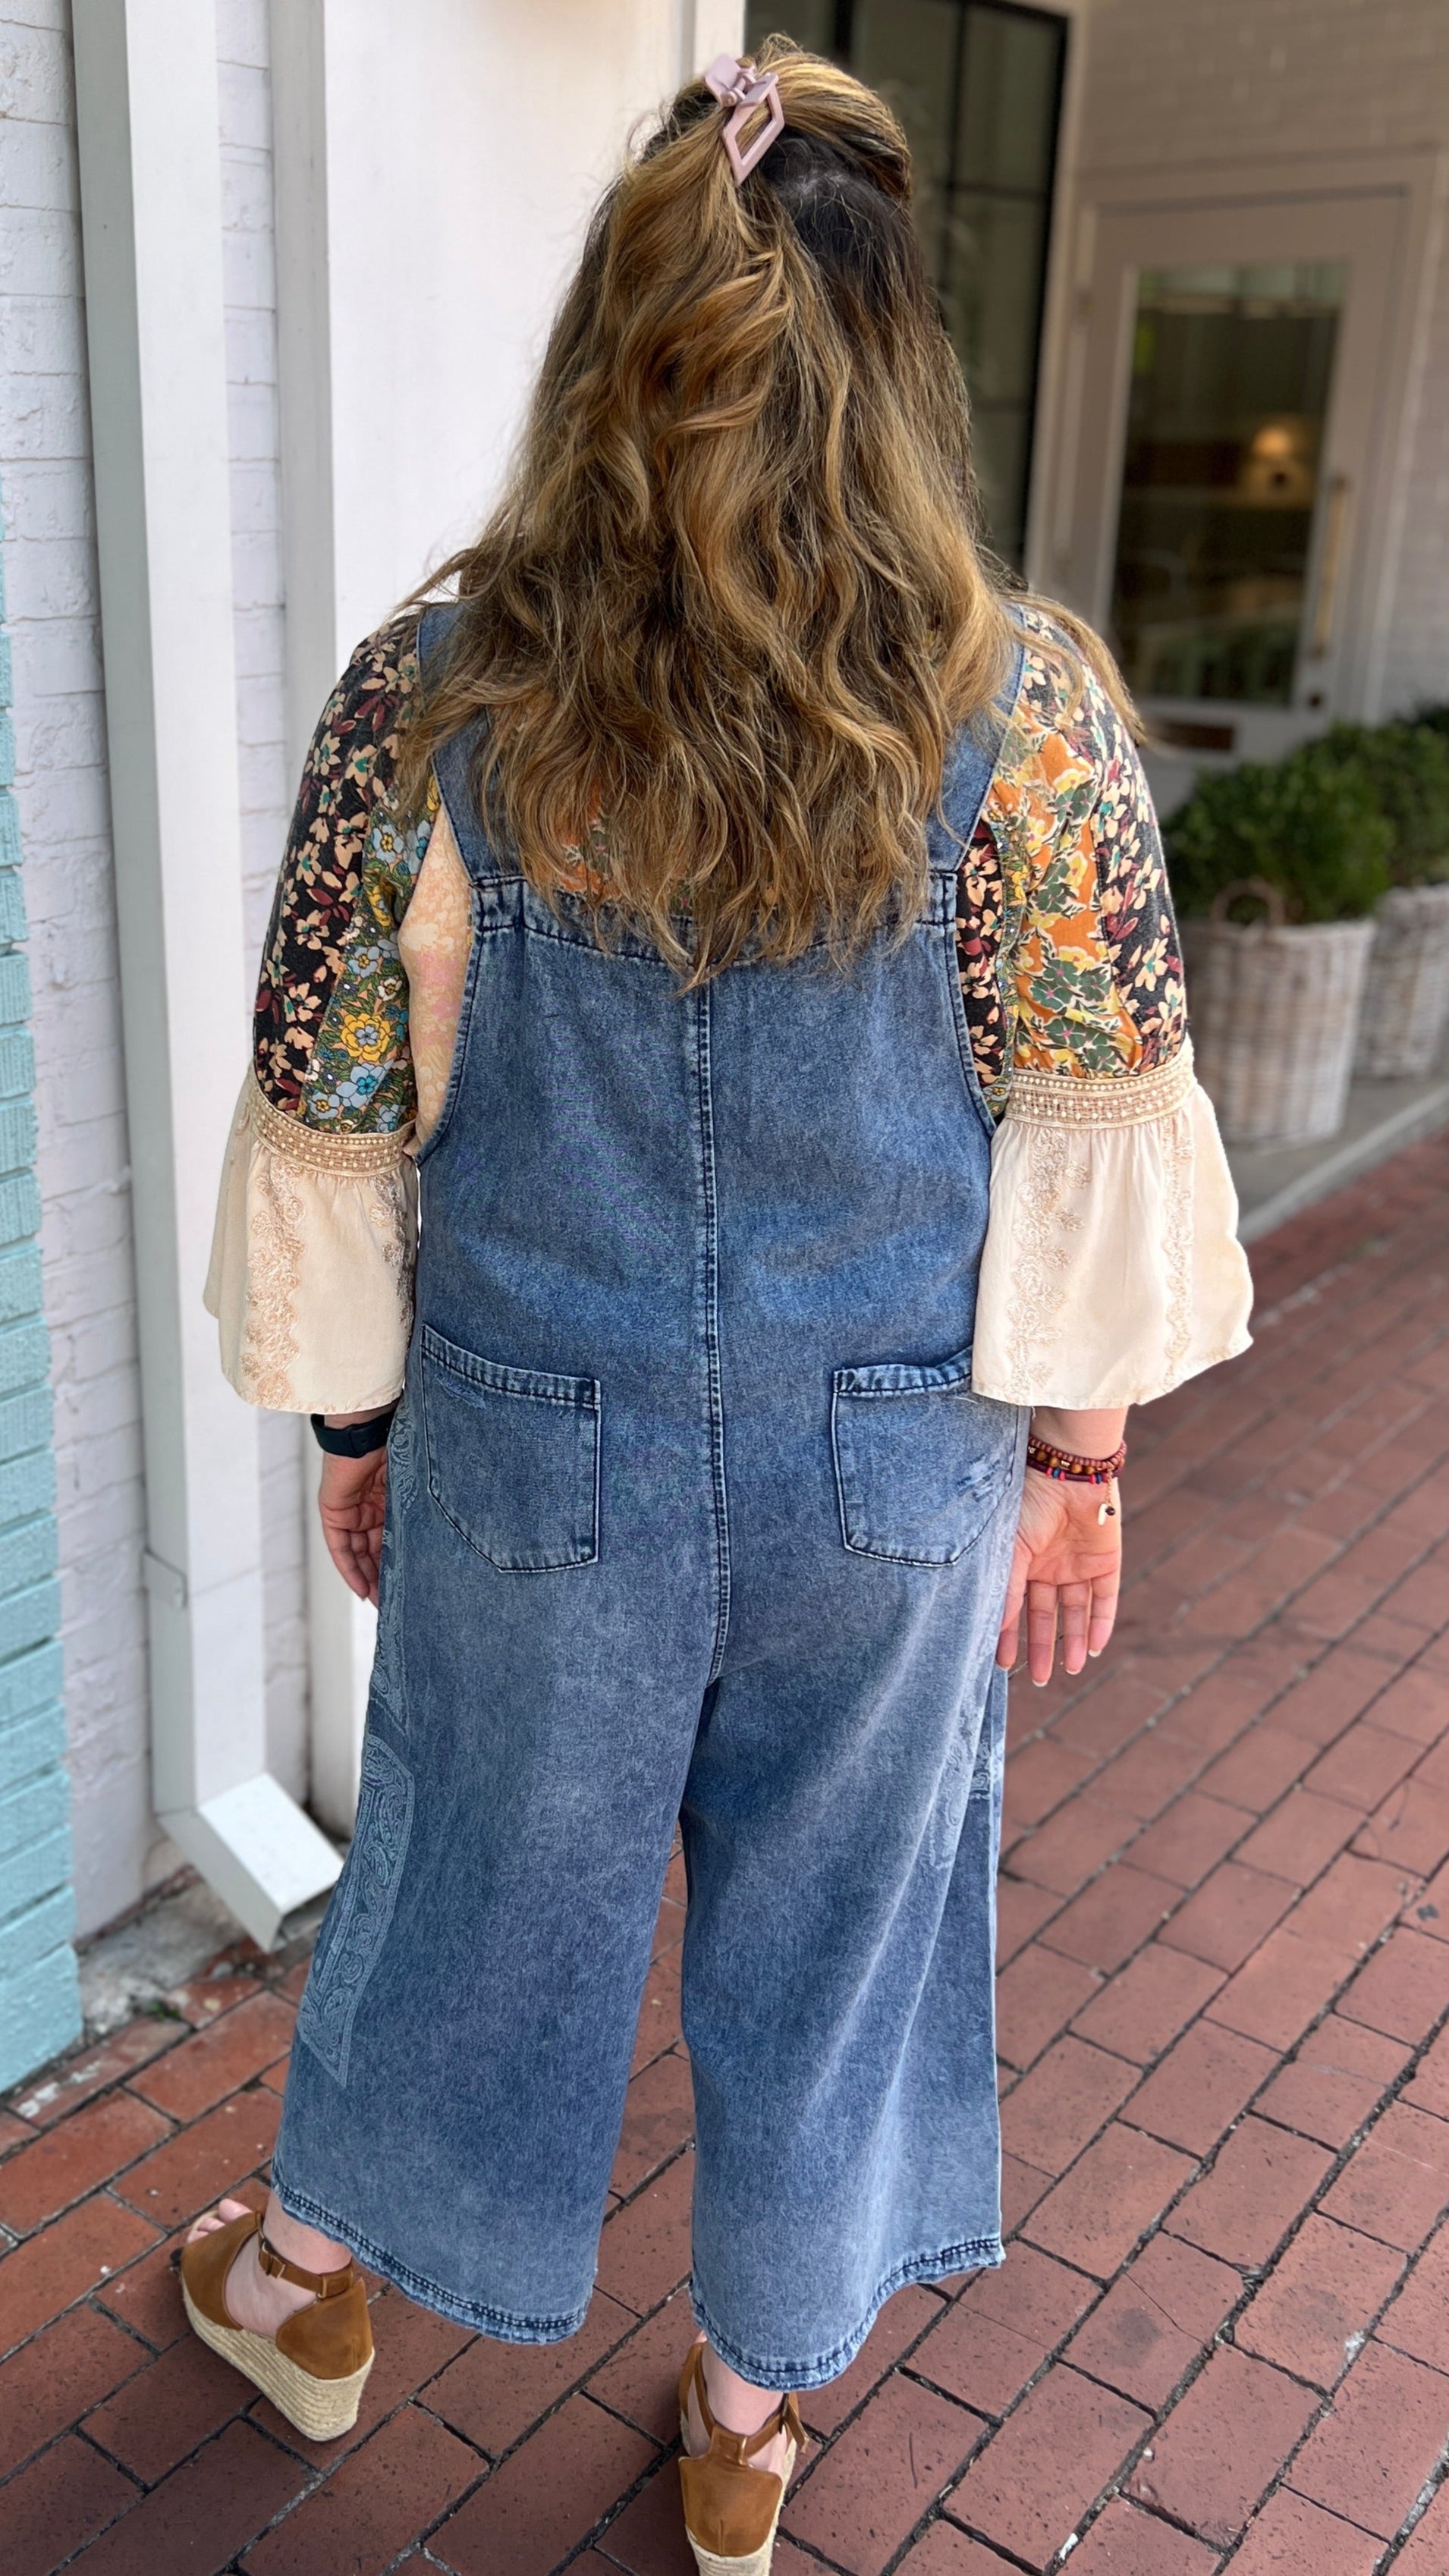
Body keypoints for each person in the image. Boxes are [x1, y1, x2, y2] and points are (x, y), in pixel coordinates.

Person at [184, 42, 1252, 2571]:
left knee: (464, 1869)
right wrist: (1075, 1467)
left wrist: (364, 1432)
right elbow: (1089, 1118)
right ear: (902, 377)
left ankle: (311, 2287)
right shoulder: (1032, 713)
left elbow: (336, 1118)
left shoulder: (427, 692)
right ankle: (752, 2427)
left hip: (533, 1439)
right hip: (894, 1466)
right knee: (845, 1922)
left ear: (610, 350)